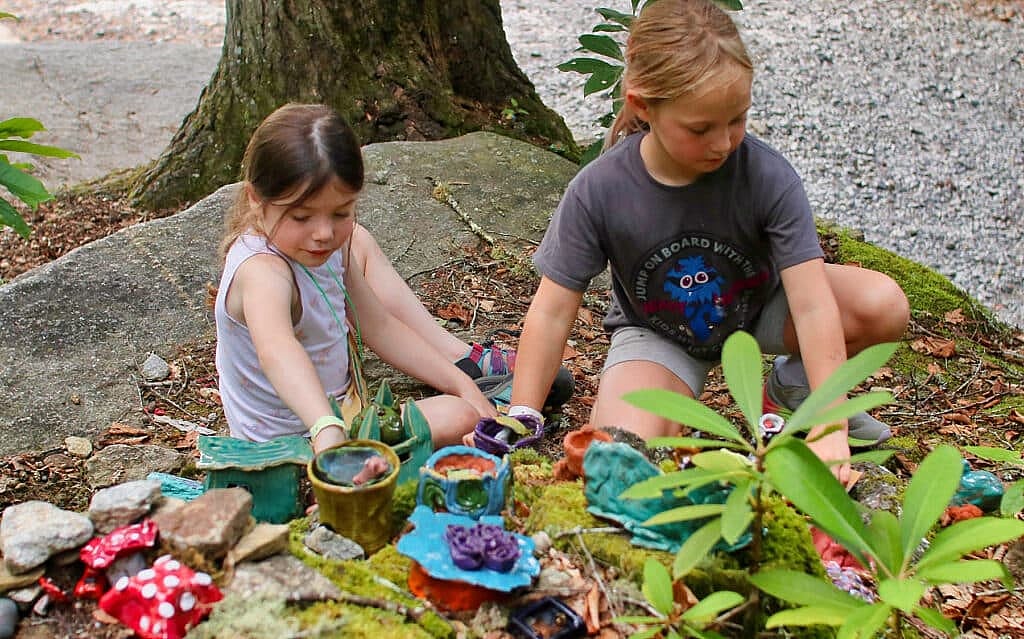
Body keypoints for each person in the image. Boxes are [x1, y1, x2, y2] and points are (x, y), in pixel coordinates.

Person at [505, 0, 909, 483]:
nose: (724, 143)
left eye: (738, 119)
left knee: (881, 305)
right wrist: (522, 415)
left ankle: (794, 392)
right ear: (643, 106)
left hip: (759, 309)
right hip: (660, 334)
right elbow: (552, 311)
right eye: (701, 129)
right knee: (621, 448)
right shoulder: (600, 189)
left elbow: (813, 305)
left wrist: (829, 423)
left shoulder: (767, 177)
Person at [214, 103, 501, 455]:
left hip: (344, 415)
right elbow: (277, 350)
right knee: (459, 417)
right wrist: (325, 426)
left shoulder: (333, 246)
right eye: (302, 217)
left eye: (341, 213)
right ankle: (352, 464)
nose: (323, 233)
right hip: (295, 443)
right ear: (256, 200)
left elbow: (378, 325)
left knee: (463, 405)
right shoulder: (263, 271)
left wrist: (462, 383)